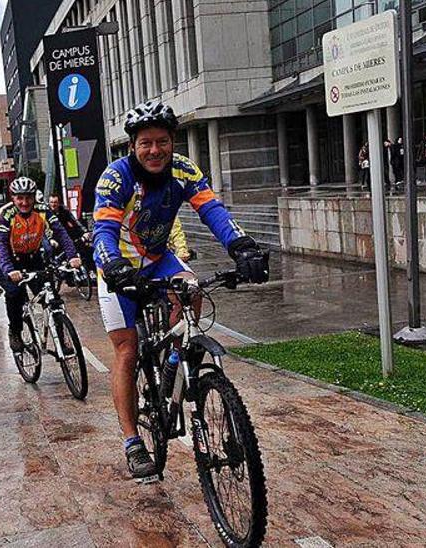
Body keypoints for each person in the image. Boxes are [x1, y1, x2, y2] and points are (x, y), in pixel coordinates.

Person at [94, 100, 269, 480]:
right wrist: (114, 266)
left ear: (172, 142)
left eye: (161, 142)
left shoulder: (184, 170)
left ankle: (176, 358)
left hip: (158, 258)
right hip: (119, 265)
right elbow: (103, 232)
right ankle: (132, 442)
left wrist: (241, 246)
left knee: (192, 290)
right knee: (127, 349)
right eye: (145, 143)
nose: (154, 150)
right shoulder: (116, 176)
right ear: (133, 146)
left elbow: (213, 212)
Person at [0, 177, 81, 353]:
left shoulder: (43, 210)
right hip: (8, 261)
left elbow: (61, 233)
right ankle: (15, 332)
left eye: (28, 198)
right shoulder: (6, 214)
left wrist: (73, 256)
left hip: (32, 257)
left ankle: (61, 339)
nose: (24, 202)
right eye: (20, 198)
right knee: (15, 294)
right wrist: (9, 270)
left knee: (51, 296)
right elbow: (0, 243)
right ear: (13, 198)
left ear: (34, 197)